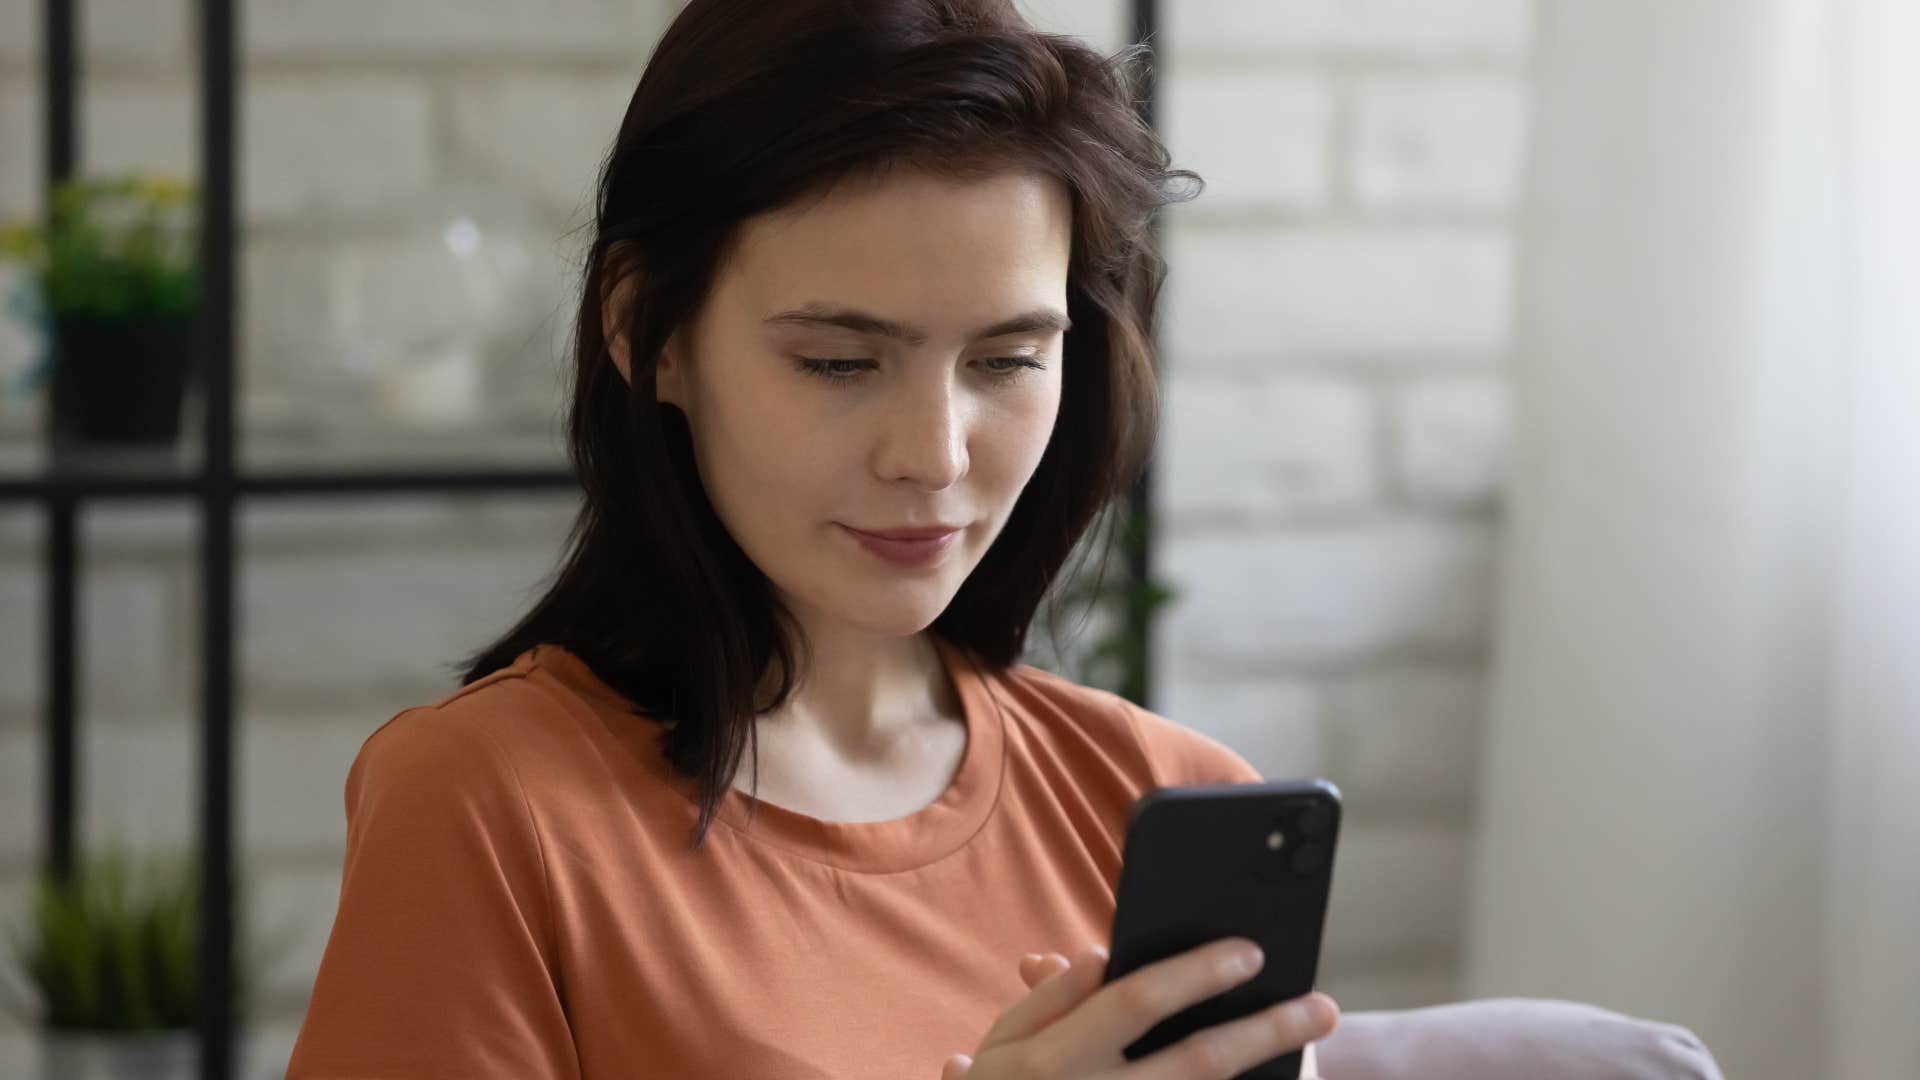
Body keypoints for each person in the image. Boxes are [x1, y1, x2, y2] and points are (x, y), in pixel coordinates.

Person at [284, 1, 1338, 1076]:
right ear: (645, 331)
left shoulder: (1165, 795)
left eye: (1007, 361)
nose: (933, 456)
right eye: (840, 362)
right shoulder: (488, 804)